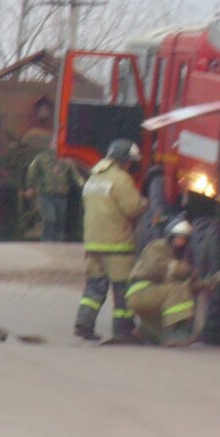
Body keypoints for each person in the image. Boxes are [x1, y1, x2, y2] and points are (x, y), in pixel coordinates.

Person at [74, 139, 148, 343]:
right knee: (122, 288)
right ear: (124, 161)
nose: (131, 166)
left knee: (94, 287)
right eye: (131, 162)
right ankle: (123, 330)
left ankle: (84, 323)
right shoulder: (121, 179)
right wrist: (146, 203)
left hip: (92, 242)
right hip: (117, 245)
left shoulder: (94, 178)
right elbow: (133, 207)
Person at [126, 218, 198, 346]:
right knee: (177, 290)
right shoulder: (158, 247)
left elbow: (186, 286)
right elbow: (156, 267)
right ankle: (174, 333)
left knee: (158, 336)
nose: (181, 242)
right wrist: (182, 269)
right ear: (170, 236)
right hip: (141, 292)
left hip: (151, 295)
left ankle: (145, 331)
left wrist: (210, 283)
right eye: (178, 238)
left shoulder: (176, 254)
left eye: (184, 239)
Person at [24, 147, 84, 242]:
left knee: (59, 221)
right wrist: (30, 186)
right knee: (49, 218)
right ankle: (46, 241)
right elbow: (32, 171)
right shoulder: (41, 158)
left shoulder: (67, 160)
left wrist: (84, 185)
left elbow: (75, 175)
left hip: (61, 195)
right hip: (45, 194)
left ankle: (57, 242)